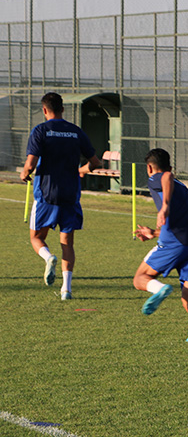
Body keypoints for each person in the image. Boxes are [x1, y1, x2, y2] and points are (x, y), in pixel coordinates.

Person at [20, 92, 102, 300]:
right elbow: (95, 162)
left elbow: (31, 163)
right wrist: (81, 170)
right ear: (63, 109)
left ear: (44, 110)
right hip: (70, 194)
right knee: (67, 243)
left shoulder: (41, 130)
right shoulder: (75, 131)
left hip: (46, 194)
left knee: (36, 237)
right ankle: (66, 289)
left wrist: (24, 173)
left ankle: (48, 257)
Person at [133, 149, 188, 342]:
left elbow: (166, 176)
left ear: (150, 168)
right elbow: (183, 226)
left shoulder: (156, 178)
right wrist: (154, 233)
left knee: (140, 278)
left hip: (175, 243)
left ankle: (159, 289)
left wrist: (165, 206)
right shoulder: (182, 187)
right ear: (170, 164)